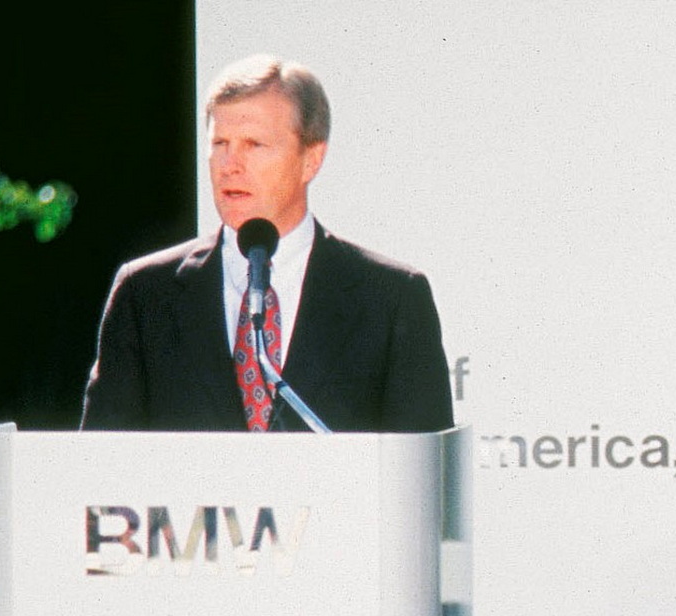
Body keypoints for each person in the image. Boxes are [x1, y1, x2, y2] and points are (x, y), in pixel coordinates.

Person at [80, 55, 453, 432]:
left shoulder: (391, 298)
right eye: (220, 143)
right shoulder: (144, 295)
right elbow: (102, 469)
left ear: (311, 159)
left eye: (254, 145)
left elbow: (423, 476)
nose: (230, 164)